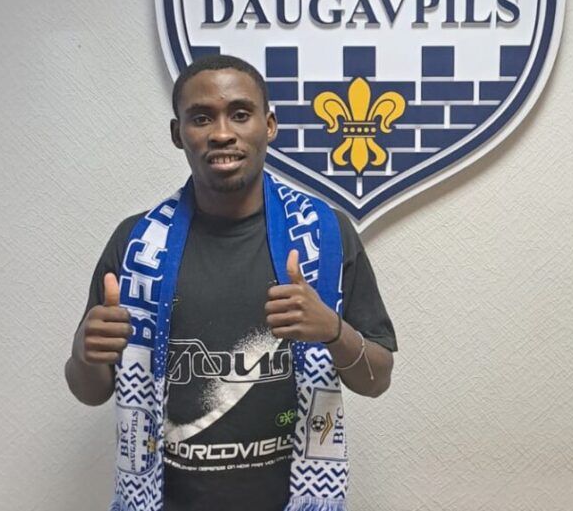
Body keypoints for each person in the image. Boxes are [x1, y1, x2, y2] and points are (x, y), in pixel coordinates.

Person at [64, 55, 396, 511]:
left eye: (240, 114)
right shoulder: (138, 244)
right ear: (178, 133)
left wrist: (334, 332)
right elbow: (90, 391)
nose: (222, 132)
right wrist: (85, 352)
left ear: (269, 125)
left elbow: (377, 380)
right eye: (202, 118)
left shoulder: (326, 235)